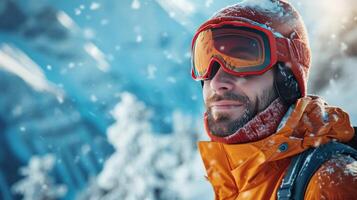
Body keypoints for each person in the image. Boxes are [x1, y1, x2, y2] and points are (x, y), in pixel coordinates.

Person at [190, 0, 357, 199]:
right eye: (205, 62)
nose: (216, 82)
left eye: (241, 60)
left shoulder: (330, 183)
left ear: (286, 77)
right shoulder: (233, 182)